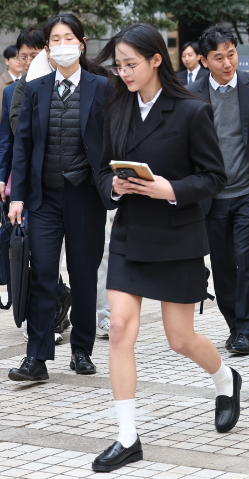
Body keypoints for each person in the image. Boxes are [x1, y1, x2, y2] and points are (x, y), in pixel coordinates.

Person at [91, 23, 235, 472]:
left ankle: (226, 378)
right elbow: (100, 172)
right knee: (119, 328)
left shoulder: (192, 111)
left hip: (177, 236)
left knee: (181, 339)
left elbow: (214, 177)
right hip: (131, 234)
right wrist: (113, 186)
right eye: (119, 65)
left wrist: (169, 189)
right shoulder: (116, 107)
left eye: (131, 64)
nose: (124, 72)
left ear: (156, 60)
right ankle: (127, 435)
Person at [6, 14, 115, 382]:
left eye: (70, 38)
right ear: (48, 49)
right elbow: (23, 146)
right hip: (44, 200)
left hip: (85, 198)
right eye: (56, 39)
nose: (63, 44)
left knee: (84, 275)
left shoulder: (103, 87)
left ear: (81, 44)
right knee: (43, 275)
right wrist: (17, 196)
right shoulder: (36, 89)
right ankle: (36, 357)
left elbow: (113, 141)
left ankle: (81, 349)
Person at [186, 25, 249, 355]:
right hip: (212, 196)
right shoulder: (193, 93)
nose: (228, 63)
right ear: (204, 60)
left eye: (232, 54)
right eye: (219, 58)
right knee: (223, 264)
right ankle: (235, 325)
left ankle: (248, 330)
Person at [0, 28, 72, 345]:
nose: (28, 61)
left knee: (49, 256)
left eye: (33, 55)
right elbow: (11, 135)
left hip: (65, 184)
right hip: (26, 183)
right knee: (37, 253)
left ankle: (58, 307)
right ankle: (51, 314)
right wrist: (5, 181)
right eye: (23, 56)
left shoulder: (67, 85)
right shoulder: (15, 90)